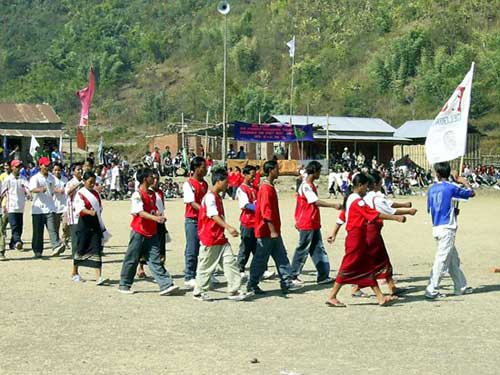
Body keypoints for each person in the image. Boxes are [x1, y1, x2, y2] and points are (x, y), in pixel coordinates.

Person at [325, 173, 407, 307]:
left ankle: (380, 297)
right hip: (356, 237)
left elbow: (343, 215)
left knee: (368, 267)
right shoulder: (358, 201)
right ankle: (332, 296)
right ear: (360, 185)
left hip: (357, 237)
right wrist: (396, 218)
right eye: (365, 186)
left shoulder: (351, 198)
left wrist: (334, 232)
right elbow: (373, 214)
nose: (366, 189)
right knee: (347, 266)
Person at [351, 169, 417, 297]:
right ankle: (357, 286)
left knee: (380, 259)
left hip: (369, 231)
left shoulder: (368, 196)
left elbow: (389, 204)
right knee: (376, 260)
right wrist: (407, 211)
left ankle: (391, 286)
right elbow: (389, 210)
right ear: (375, 183)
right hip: (372, 232)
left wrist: (404, 205)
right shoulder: (375, 198)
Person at [118, 168, 179, 296]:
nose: (154, 179)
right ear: (145, 179)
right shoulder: (137, 195)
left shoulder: (152, 194)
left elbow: (153, 209)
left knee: (155, 258)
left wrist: (158, 215)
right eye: (152, 176)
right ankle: (124, 284)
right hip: (139, 231)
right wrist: (156, 218)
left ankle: (166, 284)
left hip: (152, 232)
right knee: (132, 258)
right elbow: (140, 212)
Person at [246, 160, 303, 295]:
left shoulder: (268, 186)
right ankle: (252, 284)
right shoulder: (266, 189)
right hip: (266, 231)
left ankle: (286, 282)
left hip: (273, 230)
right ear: (271, 170)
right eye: (277, 169)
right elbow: (266, 212)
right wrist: (272, 231)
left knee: (281, 256)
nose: (279, 171)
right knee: (261, 259)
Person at [192, 168, 248, 301]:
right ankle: (199, 291)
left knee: (230, 263)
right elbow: (213, 215)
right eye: (226, 182)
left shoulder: (216, 196)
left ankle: (234, 290)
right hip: (210, 237)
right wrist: (228, 227)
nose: (227, 185)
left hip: (220, 238)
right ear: (218, 181)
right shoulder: (210, 197)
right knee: (206, 266)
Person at [424, 162, 475, 299]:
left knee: (452, 259)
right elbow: (471, 193)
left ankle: (461, 286)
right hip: (447, 227)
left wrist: (453, 209)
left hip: (437, 226)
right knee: (442, 260)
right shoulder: (451, 187)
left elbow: (432, 208)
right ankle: (432, 288)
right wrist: (463, 181)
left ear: (437, 174)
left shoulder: (431, 189)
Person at [291, 161, 342, 284]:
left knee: (317, 248)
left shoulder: (310, 185)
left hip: (313, 221)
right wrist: (333, 205)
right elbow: (314, 201)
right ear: (314, 171)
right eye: (319, 171)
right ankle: (293, 275)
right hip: (307, 222)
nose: (319, 174)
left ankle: (323, 275)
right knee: (303, 248)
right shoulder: (306, 186)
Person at [236, 165, 274, 280]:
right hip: (247, 222)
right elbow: (245, 205)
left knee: (258, 247)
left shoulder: (254, 188)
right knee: (246, 247)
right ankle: (240, 269)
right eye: (252, 176)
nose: (253, 178)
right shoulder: (242, 189)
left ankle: (262, 269)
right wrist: (260, 208)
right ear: (245, 175)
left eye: (254, 176)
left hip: (256, 222)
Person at [73, 172, 109, 285]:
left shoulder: (96, 194)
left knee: (97, 248)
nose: (92, 184)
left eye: (94, 182)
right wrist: (90, 212)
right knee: (81, 247)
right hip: (84, 223)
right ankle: (74, 272)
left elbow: (99, 207)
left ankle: (98, 276)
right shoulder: (80, 193)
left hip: (95, 224)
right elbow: (80, 208)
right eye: (90, 182)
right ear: (84, 181)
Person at [29, 157, 65, 258]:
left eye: (48, 165)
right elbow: (32, 189)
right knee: (38, 232)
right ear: (40, 166)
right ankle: (37, 251)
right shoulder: (35, 178)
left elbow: (53, 189)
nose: (47, 167)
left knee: (52, 229)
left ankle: (56, 246)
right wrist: (41, 189)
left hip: (50, 207)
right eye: (45, 165)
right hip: (38, 209)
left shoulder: (52, 178)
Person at [182, 157, 208, 288]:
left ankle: (203, 273)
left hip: (203, 219)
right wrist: (206, 210)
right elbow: (192, 202)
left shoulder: (205, 184)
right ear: (197, 168)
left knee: (206, 247)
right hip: (192, 220)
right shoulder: (189, 184)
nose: (206, 169)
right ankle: (189, 276)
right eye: (204, 167)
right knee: (192, 248)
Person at [1, 160, 28, 251]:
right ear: (12, 167)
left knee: (20, 226)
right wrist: (2, 204)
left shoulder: (22, 178)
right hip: (11, 206)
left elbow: (27, 187)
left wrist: (29, 193)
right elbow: (2, 192)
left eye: (19, 167)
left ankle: (13, 243)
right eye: (16, 167)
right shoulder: (7, 179)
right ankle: (17, 242)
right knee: (14, 225)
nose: (18, 168)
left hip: (20, 206)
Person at [66, 163, 84, 281]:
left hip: (83, 216)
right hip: (74, 217)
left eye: (81, 169)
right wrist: (79, 184)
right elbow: (67, 192)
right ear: (73, 172)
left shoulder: (85, 183)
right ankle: (74, 271)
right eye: (78, 169)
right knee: (76, 244)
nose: (80, 171)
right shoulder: (70, 183)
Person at [51, 163, 68, 252]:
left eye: (59, 170)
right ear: (53, 171)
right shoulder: (51, 179)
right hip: (54, 206)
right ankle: (57, 243)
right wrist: (57, 190)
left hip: (64, 206)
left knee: (66, 225)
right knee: (55, 227)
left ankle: (64, 239)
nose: (57, 172)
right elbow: (49, 189)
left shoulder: (65, 179)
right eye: (55, 170)